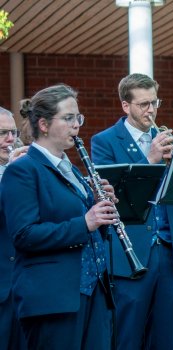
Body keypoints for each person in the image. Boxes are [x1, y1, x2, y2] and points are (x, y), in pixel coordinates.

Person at [1, 84, 119, 349]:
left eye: (78, 118)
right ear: (43, 124)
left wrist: (102, 207)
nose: (76, 125)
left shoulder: (74, 171)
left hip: (93, 292)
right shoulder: (23, 171)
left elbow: (90, 229)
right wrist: (86, 222)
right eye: (68, 118)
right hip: (53, 298)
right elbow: (24, 235)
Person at [90, 73, 173, 350]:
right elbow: (114, 194)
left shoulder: (165, 138)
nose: (151, 110)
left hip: (167, 249)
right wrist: (151, 160)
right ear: (125, 106)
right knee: (127, 337)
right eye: (143, 104)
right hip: (129, 253)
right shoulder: (104, 141)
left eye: (154, 103)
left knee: (165, 337)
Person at [0, 107, 27, 350]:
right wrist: (9, 173)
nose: (10, 139)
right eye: (2, 133)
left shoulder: (23, 169)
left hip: (25, 285)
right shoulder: (10, 170)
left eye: (13, 132)